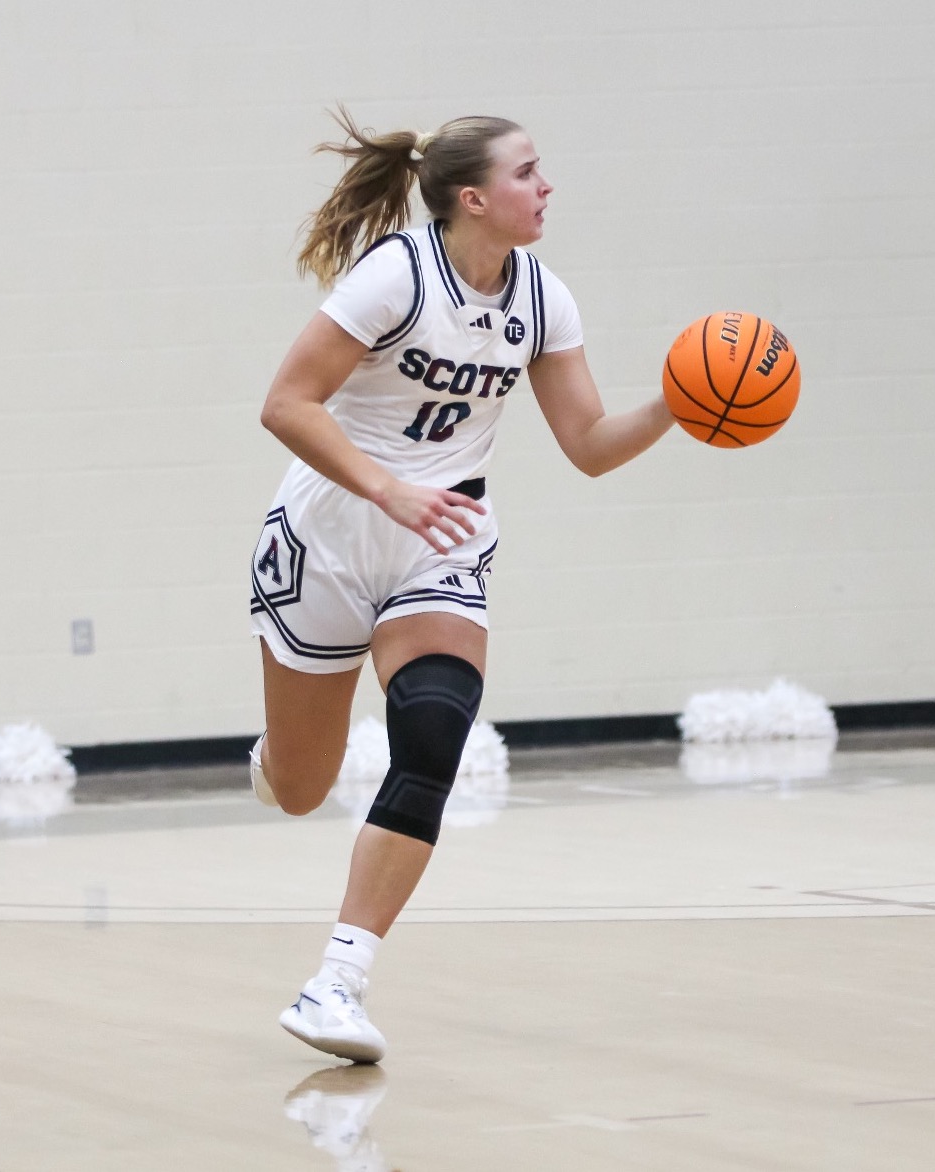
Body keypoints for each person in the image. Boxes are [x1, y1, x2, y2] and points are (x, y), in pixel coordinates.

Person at [248, 110, 672, 1063]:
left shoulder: (543, 298)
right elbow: (285, 403)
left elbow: (590, 447)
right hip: (332, 528)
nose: (547, 185)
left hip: (440, 538)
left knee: (434, 730)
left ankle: (336, 983)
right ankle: (275, 753)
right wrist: (388, 487)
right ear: (474, 197)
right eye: (529, 171)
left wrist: (677, 405)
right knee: (301, 788)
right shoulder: (396, 276)